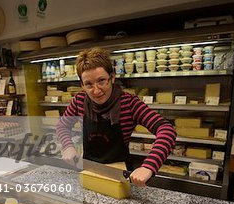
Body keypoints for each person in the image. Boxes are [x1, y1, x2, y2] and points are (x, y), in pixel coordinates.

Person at [56, 47, 176, 187]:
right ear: (82, 85)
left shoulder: (129, 103)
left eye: (101, 81)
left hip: (120, 174)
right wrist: (68, 146)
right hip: (89, 171)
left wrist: (149, 166)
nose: (96, 91)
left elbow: (166, 129)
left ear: (112, 77)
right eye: (89, 84)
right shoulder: (79, 101)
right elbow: (62, 125)